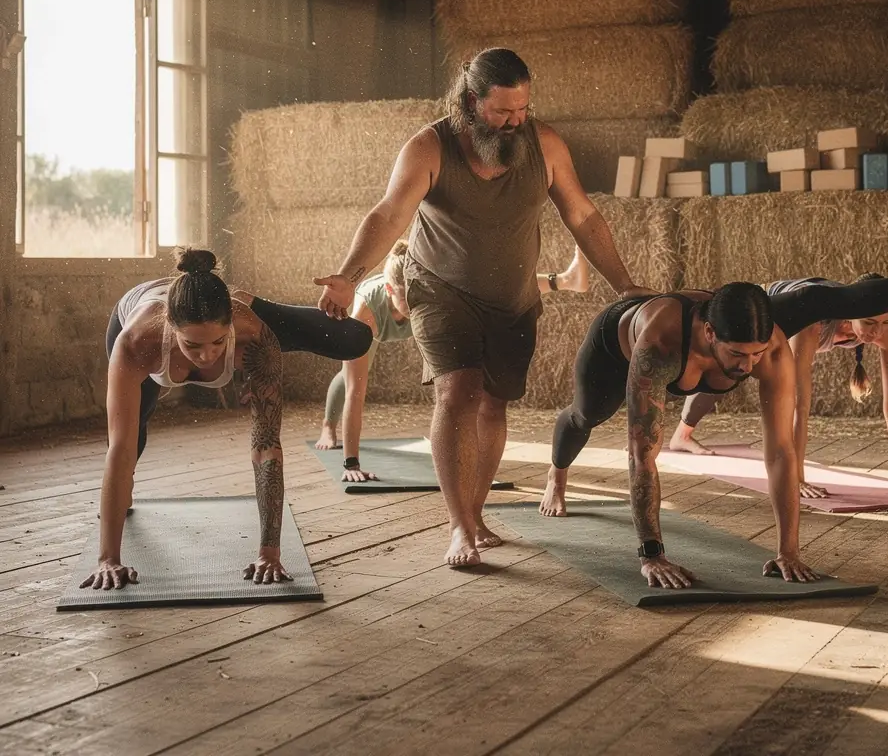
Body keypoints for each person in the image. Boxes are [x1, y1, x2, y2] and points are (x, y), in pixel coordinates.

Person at [314, 47, 649, 568]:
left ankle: (476, 511)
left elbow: (582, 216)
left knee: (495, 401)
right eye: (502, 112)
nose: (516, 122)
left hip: (513, 298)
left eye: (523, 110)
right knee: (458, 390)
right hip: (441, 287)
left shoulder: (545, 144)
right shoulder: (429, 147)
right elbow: (389, 215)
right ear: (472, 102)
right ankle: (459, 527)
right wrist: (349, 275)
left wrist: (625, 284)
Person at [539, 243, 888, 590]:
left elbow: (781, 453)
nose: (747, 367)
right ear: (710, 334)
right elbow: (641, 455)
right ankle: (556, 477)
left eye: (754, 354)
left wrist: (789, 549)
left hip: (725, 335)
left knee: (819, 299)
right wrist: (651, 553)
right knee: (585, 416)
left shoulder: (769, 344)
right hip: (615, 345)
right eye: (736, 354)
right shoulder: (659, 345)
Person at [82, 246, 372, 592]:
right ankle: (118, 504)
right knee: (132, 438)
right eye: (193, 345)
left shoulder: (254, 336)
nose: (207, 356)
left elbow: (266, 447)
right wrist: (108, 559)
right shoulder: (136, 343)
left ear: (231, 325)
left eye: (218, 342)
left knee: (354, 338)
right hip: (134, 311)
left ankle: (239, 299)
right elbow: (119, 450)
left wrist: (270, 552)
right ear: (171, 329)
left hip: (239, 311)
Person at [670, 263, 888, 496]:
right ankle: (682, 435)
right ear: (850, 314)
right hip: (760, 311)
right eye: (869, 324)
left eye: (884, 322)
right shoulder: (812, 325)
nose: (877, 332)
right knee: (728, 369)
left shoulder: (884, 327)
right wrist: (797, 479)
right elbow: (798, 403)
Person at [313, 240, 591, 482]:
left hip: (422, 304)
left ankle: (566, 279)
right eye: (405, 297)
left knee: (486, 288)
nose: (413, 303)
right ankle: (328, 426)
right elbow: (355, 395)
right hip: (371, 329)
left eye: (415, 293)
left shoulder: (427, 291)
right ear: (389, 289)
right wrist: (351, 464)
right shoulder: (364, 316)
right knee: (352, 380)